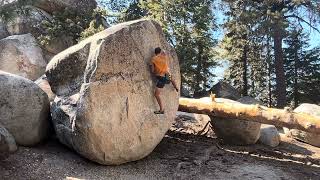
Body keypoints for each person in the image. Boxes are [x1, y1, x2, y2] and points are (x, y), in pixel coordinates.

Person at [150, 47, 179, 114]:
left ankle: (161, 110)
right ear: (160, 52)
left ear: (155, 53)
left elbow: (152, 70)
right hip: (167, 77)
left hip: (161, 78)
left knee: (156, 94)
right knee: (169, 74)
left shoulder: (153, 59)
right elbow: (164, 51)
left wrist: (152, 67)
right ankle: (176, 87)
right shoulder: (164, 57)